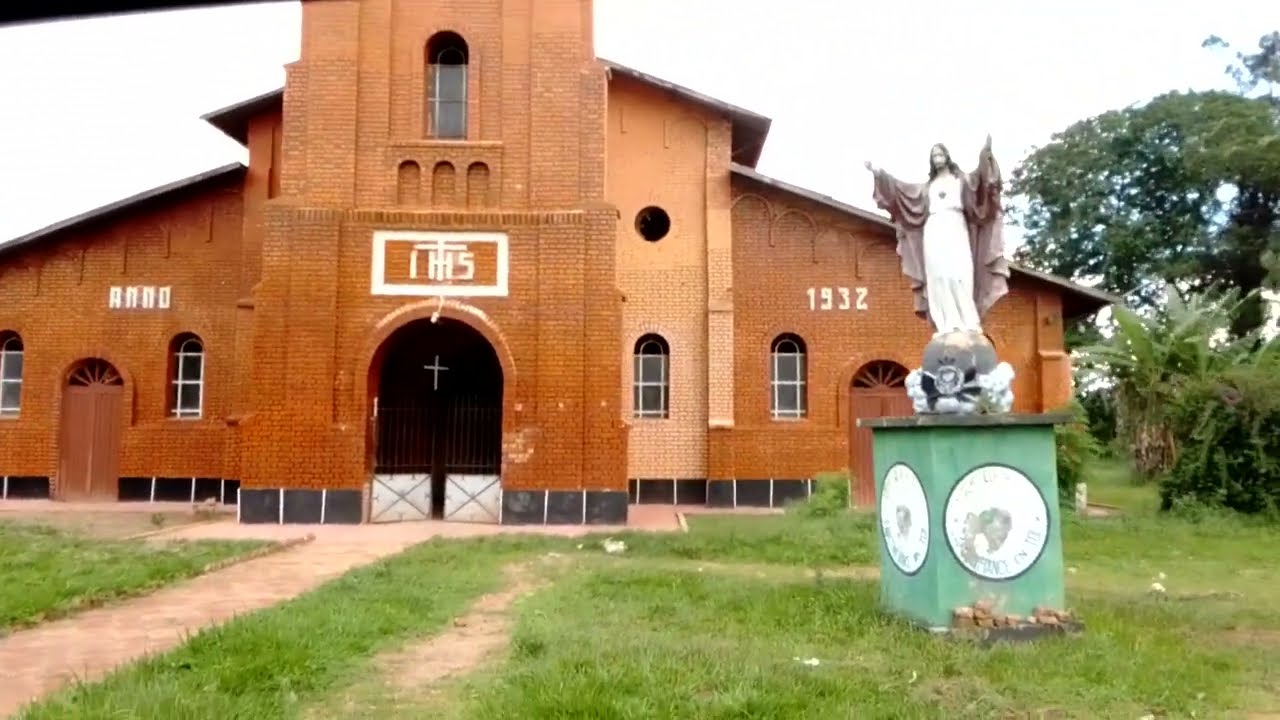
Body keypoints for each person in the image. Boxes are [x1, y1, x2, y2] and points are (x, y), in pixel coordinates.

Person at [864, 137, 1009, 337]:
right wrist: (878, 173)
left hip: (956, 226)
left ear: (947, 156)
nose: (937, 158)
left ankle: (967, 320)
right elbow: (901, 190)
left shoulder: (962, 180)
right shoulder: (927, 188)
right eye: (934, 156)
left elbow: (982, 182)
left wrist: (985, 155)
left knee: (960, 274)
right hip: (934, 230)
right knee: (938, 276)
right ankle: (945, 323)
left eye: (940, 154)